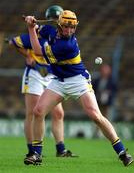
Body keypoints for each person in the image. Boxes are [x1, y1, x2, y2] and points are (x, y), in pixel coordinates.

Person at [25, 10, 133, 167]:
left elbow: (37, 51)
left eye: (72, 27)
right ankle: (36, 154)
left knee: (96, 116)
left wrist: (30, 28)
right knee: (38, 111)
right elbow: (38, 29)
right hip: (59, 81)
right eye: (66, 27)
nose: (69, 30)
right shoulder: (50, 30)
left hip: (78, 81)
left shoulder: (67, 45)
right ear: (59, 26)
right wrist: (33, 24)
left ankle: (122, 152)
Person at [9, 6, 77, 166]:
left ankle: (60, 149)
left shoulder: (57, 37)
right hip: (34, 75)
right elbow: (13, 42)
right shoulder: (40, 35)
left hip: (51, 76)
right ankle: (32, 149)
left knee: (58, 113)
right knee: (33, 113)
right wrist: (28, 56)